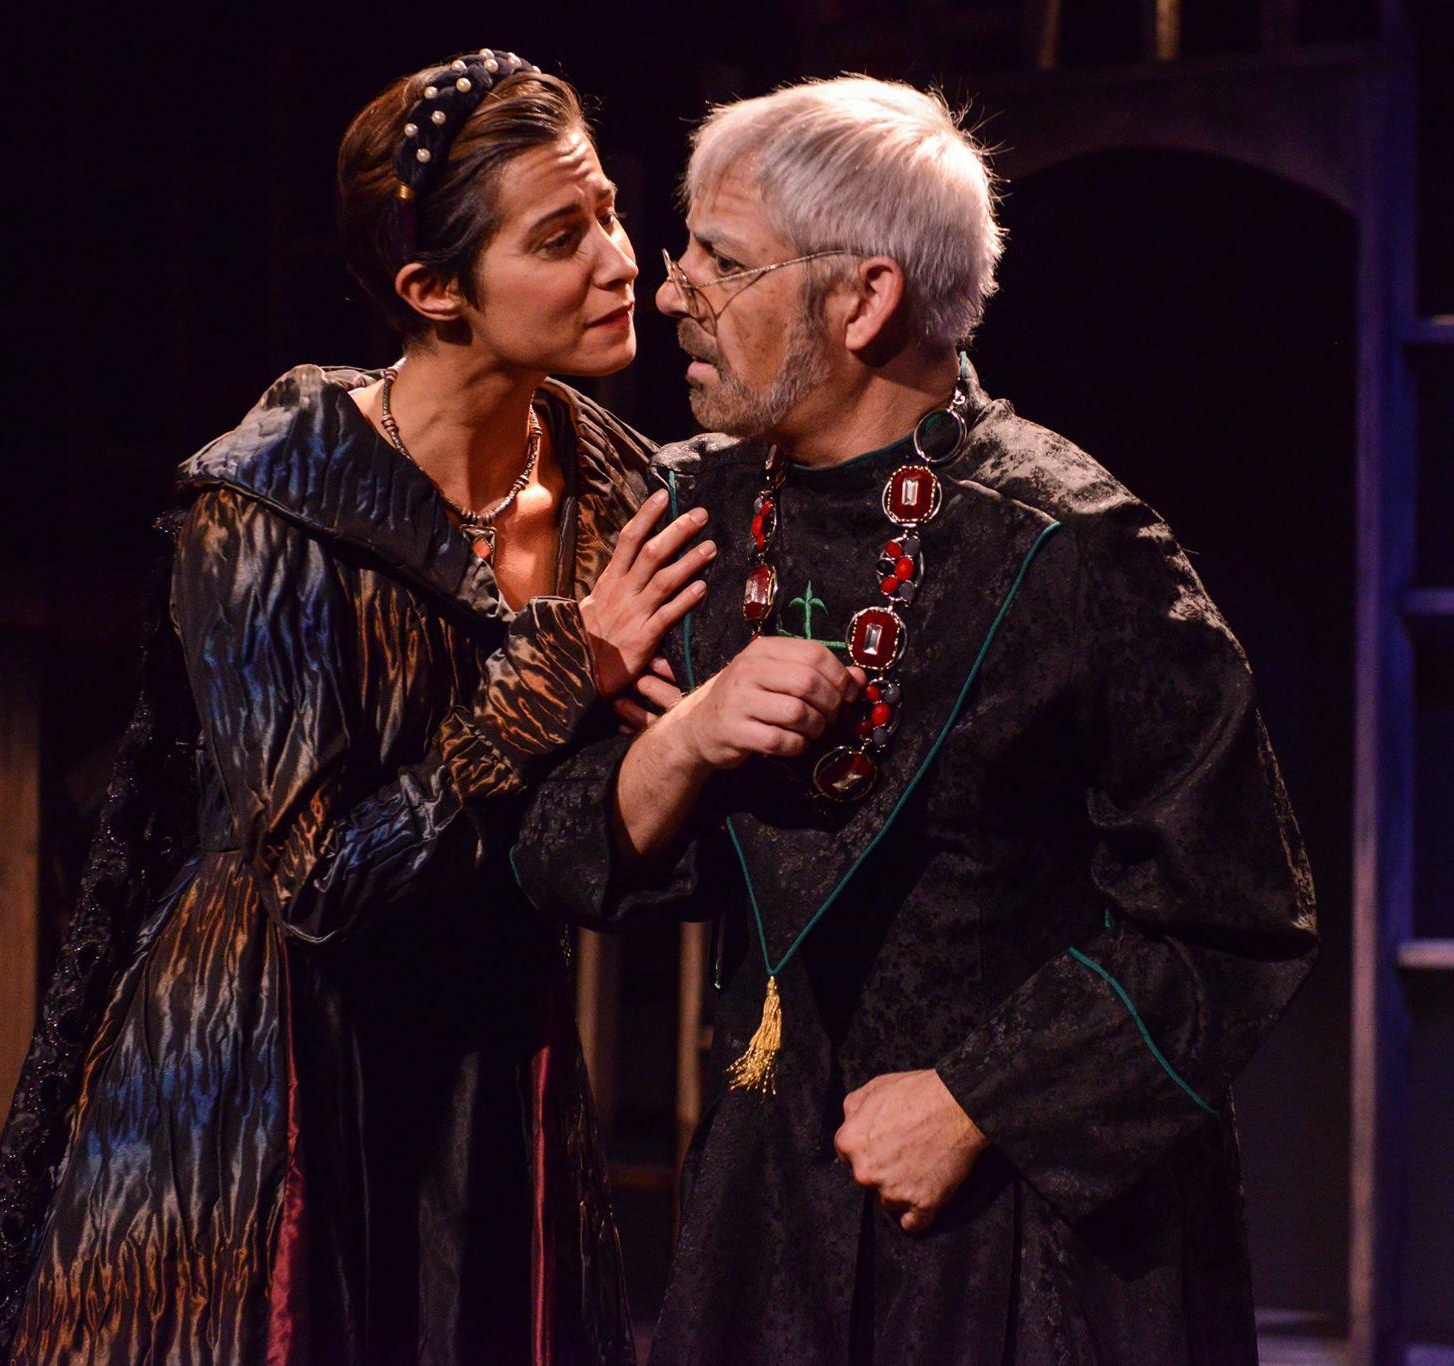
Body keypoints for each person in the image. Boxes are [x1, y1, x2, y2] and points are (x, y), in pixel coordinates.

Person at [516, 75, 1319, 1364]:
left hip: (1015, 1239)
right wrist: (687, 737)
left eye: (723, 262)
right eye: (682, 256)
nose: (672, 295)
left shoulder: (1073, 547)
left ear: (865, 297)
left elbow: (1237, 918)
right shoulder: (684, 521)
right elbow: (558, 854)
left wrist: (978, 1101)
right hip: (768, 1200)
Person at [0, 51, 709, 1363]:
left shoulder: (619, 491)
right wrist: (554, 681)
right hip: (274, 1083)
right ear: (432, 291)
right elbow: (319, 880)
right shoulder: (270, 507)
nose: (620, 259)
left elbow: (612, 823)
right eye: (559, 237)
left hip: (494, 1077)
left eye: (610, 212)